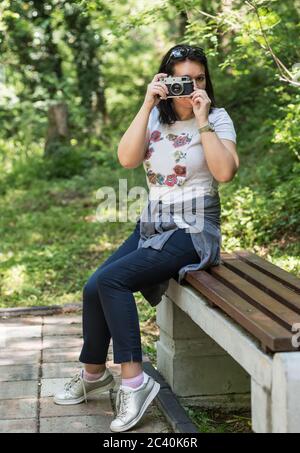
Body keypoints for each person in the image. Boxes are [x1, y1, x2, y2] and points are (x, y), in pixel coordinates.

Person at [53, 43, 239, 433]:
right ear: (166, 80)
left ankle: (135, 384)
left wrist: (202, 120)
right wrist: (145, 104)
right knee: (93, 287)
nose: (190, 88)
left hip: (193, 229)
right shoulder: (155, 116)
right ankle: (93, 374)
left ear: (207, 81)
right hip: (153, 224)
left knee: (112, 280)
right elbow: (126, 158)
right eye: (181, 80)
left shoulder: (218, 118)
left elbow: (225, 173)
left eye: (198, 79)